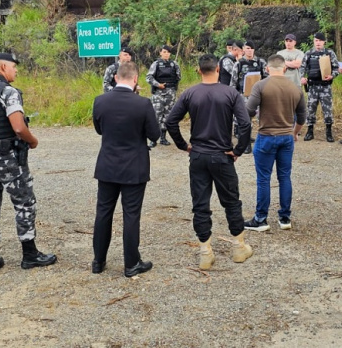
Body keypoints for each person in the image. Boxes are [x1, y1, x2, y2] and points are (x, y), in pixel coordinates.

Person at [0, 52, 56, 276]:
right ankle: (29, 254)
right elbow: (18, 127)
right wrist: (32, 141)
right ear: (4, 67)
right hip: (7, 156)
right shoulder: (7, 92)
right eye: (14, 67)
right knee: (24, 202)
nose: (16, 71)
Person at [166, 54, 253, 271]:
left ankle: (205, 252)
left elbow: (170, 121)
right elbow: (245, 124)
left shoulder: (190, 93)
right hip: (222, 155)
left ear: (199, 70)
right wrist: (238, 150)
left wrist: (183, 145)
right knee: (231, 201)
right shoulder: (230, 93)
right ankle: (238, 247)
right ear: (218, 69)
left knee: (200, 204)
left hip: (198, 156)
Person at [91, 61, 159, 277]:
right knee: (131, 215)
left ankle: (98, 260)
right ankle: (131, 263)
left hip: (108, 165)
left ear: (116, 77)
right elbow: (155, 134)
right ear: (136, 79)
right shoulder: (143, 103)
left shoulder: (100, 101)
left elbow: (99, 129)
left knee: (103, 212)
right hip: (134, 166)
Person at [243, 55, 306, 232]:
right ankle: (285, 218)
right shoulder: (295, 88)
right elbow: (302, 117)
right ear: (285, 68)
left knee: (264, 178)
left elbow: (248, 111)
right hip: (286, 137)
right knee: (284, 176)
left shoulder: (260, 85)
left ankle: (260, 219)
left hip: (267, 136)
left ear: (267, 69)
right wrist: (295, 132)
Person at [300, 32, 340, 142]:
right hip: (312, 87)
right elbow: (302, 67)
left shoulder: (329, 53)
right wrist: (302, 78)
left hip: (325, 87)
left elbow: (336, 68)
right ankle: (310, 131)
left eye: (320, 41)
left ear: (324, 42)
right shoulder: (309, 53)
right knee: (310, 109)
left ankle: (329, 132)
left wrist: (332, 76)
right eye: (316, 41)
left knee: (327, 109)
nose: (318, 43)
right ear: (314, 42)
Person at [147, 45, 181, 147]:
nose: (166, 54)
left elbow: (178, 77)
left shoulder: (174, 64)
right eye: (164, 52)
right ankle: (153, 139)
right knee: (156, 116)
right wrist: (158, 85)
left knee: (167, 116)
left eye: (168, 52)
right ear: (160, 53)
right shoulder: (156, 64)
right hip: (158, 93)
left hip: (170, 93)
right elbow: (149, 77)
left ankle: (163, 138)